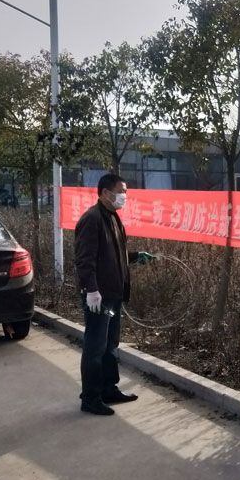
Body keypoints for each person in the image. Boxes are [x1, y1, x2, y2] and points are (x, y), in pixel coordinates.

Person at [74, 173, 155, 416]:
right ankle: (90, 398)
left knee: (110, 344)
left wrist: (135, 256)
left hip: (112, 296)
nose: (124, 196)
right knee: (95, 347)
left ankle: (108, 389)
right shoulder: (92, 219)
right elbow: (85, 260)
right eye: (121, 192)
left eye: (125, 192)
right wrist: (91, 290)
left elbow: (113, 253)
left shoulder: (112, 217)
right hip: (99, 297)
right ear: (106, 193)